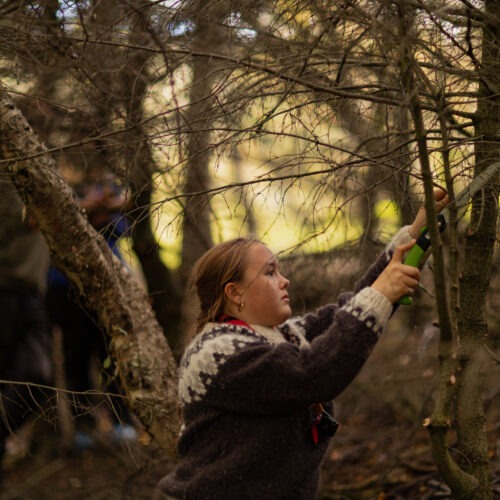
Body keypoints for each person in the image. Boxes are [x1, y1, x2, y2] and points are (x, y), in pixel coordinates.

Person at [155, 189, 448, 500]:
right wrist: (381, 293)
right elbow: (313, 372)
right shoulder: (216, 354)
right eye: (270, 272)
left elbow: (350, 313)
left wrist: (412, 237)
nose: (285, 281)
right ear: (234, 293)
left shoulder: (277, 336)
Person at [46, 171, 136, 449]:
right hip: (66, 289)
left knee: (111, 354)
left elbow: (123, 228)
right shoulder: (58, 189)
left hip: (107, 287)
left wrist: (104, 209)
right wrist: (85, 207)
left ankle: (121, 422)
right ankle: (83, 427)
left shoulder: (112, 191)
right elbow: (55, 225)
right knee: (76, 359)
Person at [0, 174, 52, 478]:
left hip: (32, 294)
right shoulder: (6, 177)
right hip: (3, 289)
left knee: (38, 373)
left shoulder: (42, 174)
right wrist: (32, 216)